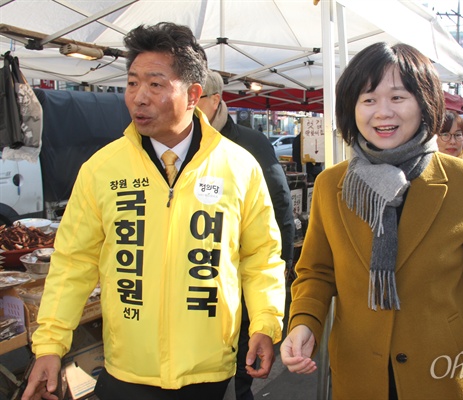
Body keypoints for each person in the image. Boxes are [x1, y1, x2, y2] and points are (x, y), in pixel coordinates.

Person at [22, 22, 286, 400]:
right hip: (128, 371)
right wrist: (49, 345)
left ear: (194, 94)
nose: (138, 97)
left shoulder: (239, 167)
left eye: (155, 84)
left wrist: (266, 323)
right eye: (132, 83)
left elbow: (261, 257)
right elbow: (73, 263)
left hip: (212, 372)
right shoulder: (102, 169)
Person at [280, 42, 463, 400]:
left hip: (441, 368)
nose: (382, 113)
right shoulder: (331, 184)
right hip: (359, 369)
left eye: (397, 98)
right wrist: (304, 322)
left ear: (424, 102)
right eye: (368, 99)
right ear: (352, 109)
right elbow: (317, 271)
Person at [197, 70, 294, 400]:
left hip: (241, 275)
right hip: (199, 278)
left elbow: (280, 205)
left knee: (239, 366)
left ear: (214, 101)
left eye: (195, 99)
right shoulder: (184, 147)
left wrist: (282, 264)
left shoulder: (249, 144)